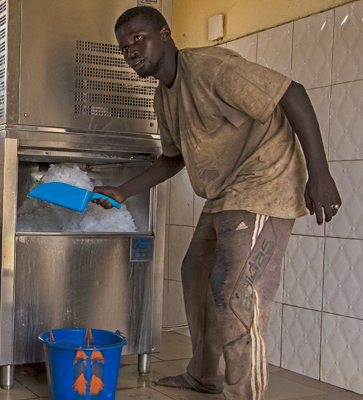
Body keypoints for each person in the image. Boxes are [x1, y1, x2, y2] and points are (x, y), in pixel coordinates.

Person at [92, 6, 341, 400]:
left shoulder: (209, 67)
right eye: (124, 47)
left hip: (264, 181)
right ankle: (204, 374)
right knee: (196, 272)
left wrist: (320, 173)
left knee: (235, 290)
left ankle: (245, 394)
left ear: (165, 33)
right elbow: (174, 158)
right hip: (225, 192)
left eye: (138, 38)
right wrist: (123, 192)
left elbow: (291, 92)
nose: (131, 51)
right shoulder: (164, 98)